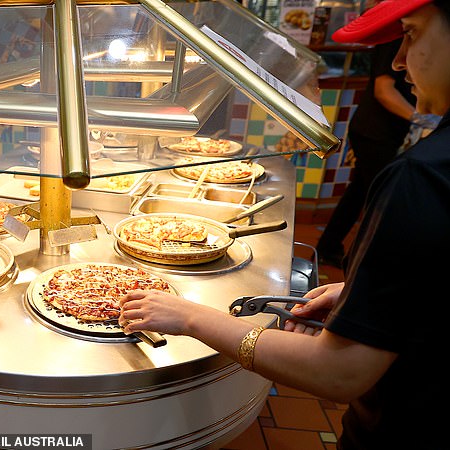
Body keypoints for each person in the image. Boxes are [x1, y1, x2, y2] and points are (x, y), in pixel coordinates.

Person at [120, 1, 450, 448]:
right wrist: (362, 296)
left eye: (410, 33)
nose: (397, 58)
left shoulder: (422, 175)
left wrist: (189, 316)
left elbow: (339, 371)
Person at [316, 6, 417, 268]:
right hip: (376, 132)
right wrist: (423, 120)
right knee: (380, 203)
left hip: (381, 131)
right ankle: (356, 265)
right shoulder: (394, 37)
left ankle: (329, 248)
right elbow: (384, 91)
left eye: (414, 34)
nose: (401, 61)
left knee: (361, 191)